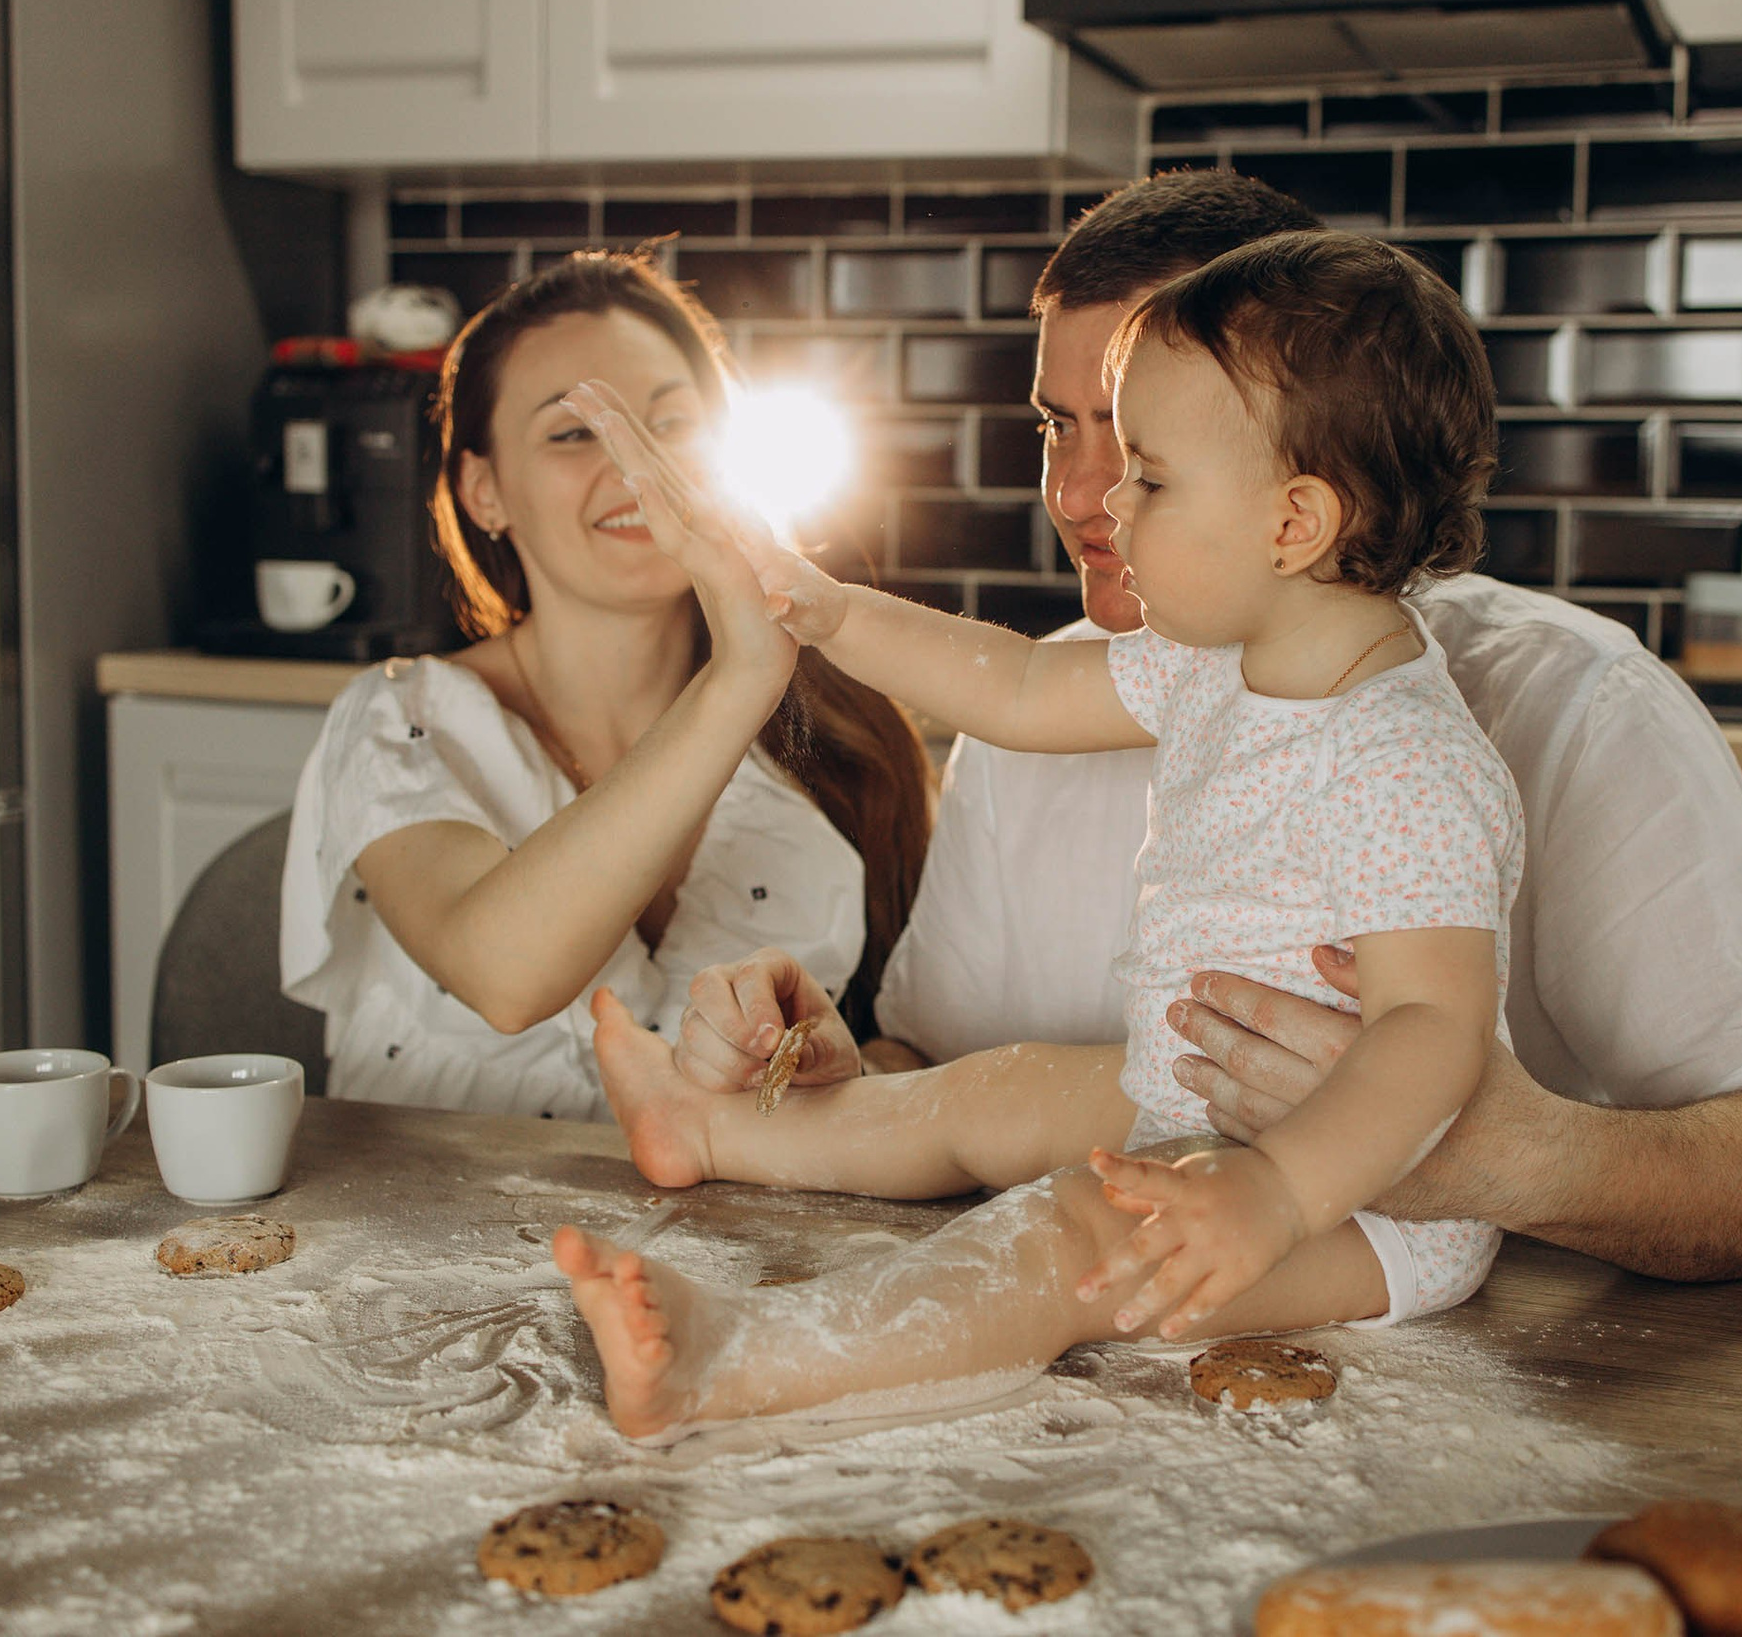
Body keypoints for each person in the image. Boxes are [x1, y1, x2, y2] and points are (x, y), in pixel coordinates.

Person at [676, 169, 1742, 1283]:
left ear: (1303, 486)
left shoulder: (1567, 709)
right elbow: (948, 1076)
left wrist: (1508, 1153)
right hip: (1110, 1342)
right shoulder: (1035, 709)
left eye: (1141, 444)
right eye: (1059, 428)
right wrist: (827, 1082)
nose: (1084, 494)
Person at [552, 230, 1518, 1436]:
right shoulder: (1217, 665)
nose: (1108, 501)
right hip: (1193, 1106)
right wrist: (827, 608)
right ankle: (706, 1125)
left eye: (1151, 479)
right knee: (988, 1093)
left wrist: (1273, 1192)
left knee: (1065, 1234)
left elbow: (1433, 1033)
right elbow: (1011, 688)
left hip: (1363, 1211)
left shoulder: (1402, 760)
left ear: (1295, 523)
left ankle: (739, 1358)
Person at [276, 253, 931, 1118]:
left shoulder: (846, 728)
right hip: (422, 1208)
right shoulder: (398, 719)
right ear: (483, 491)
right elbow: (502, 977)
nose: (636, 467)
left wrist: (844, 1073)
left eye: (671, 422)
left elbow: (913, 1039)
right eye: (574, 432)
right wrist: (740, 676)